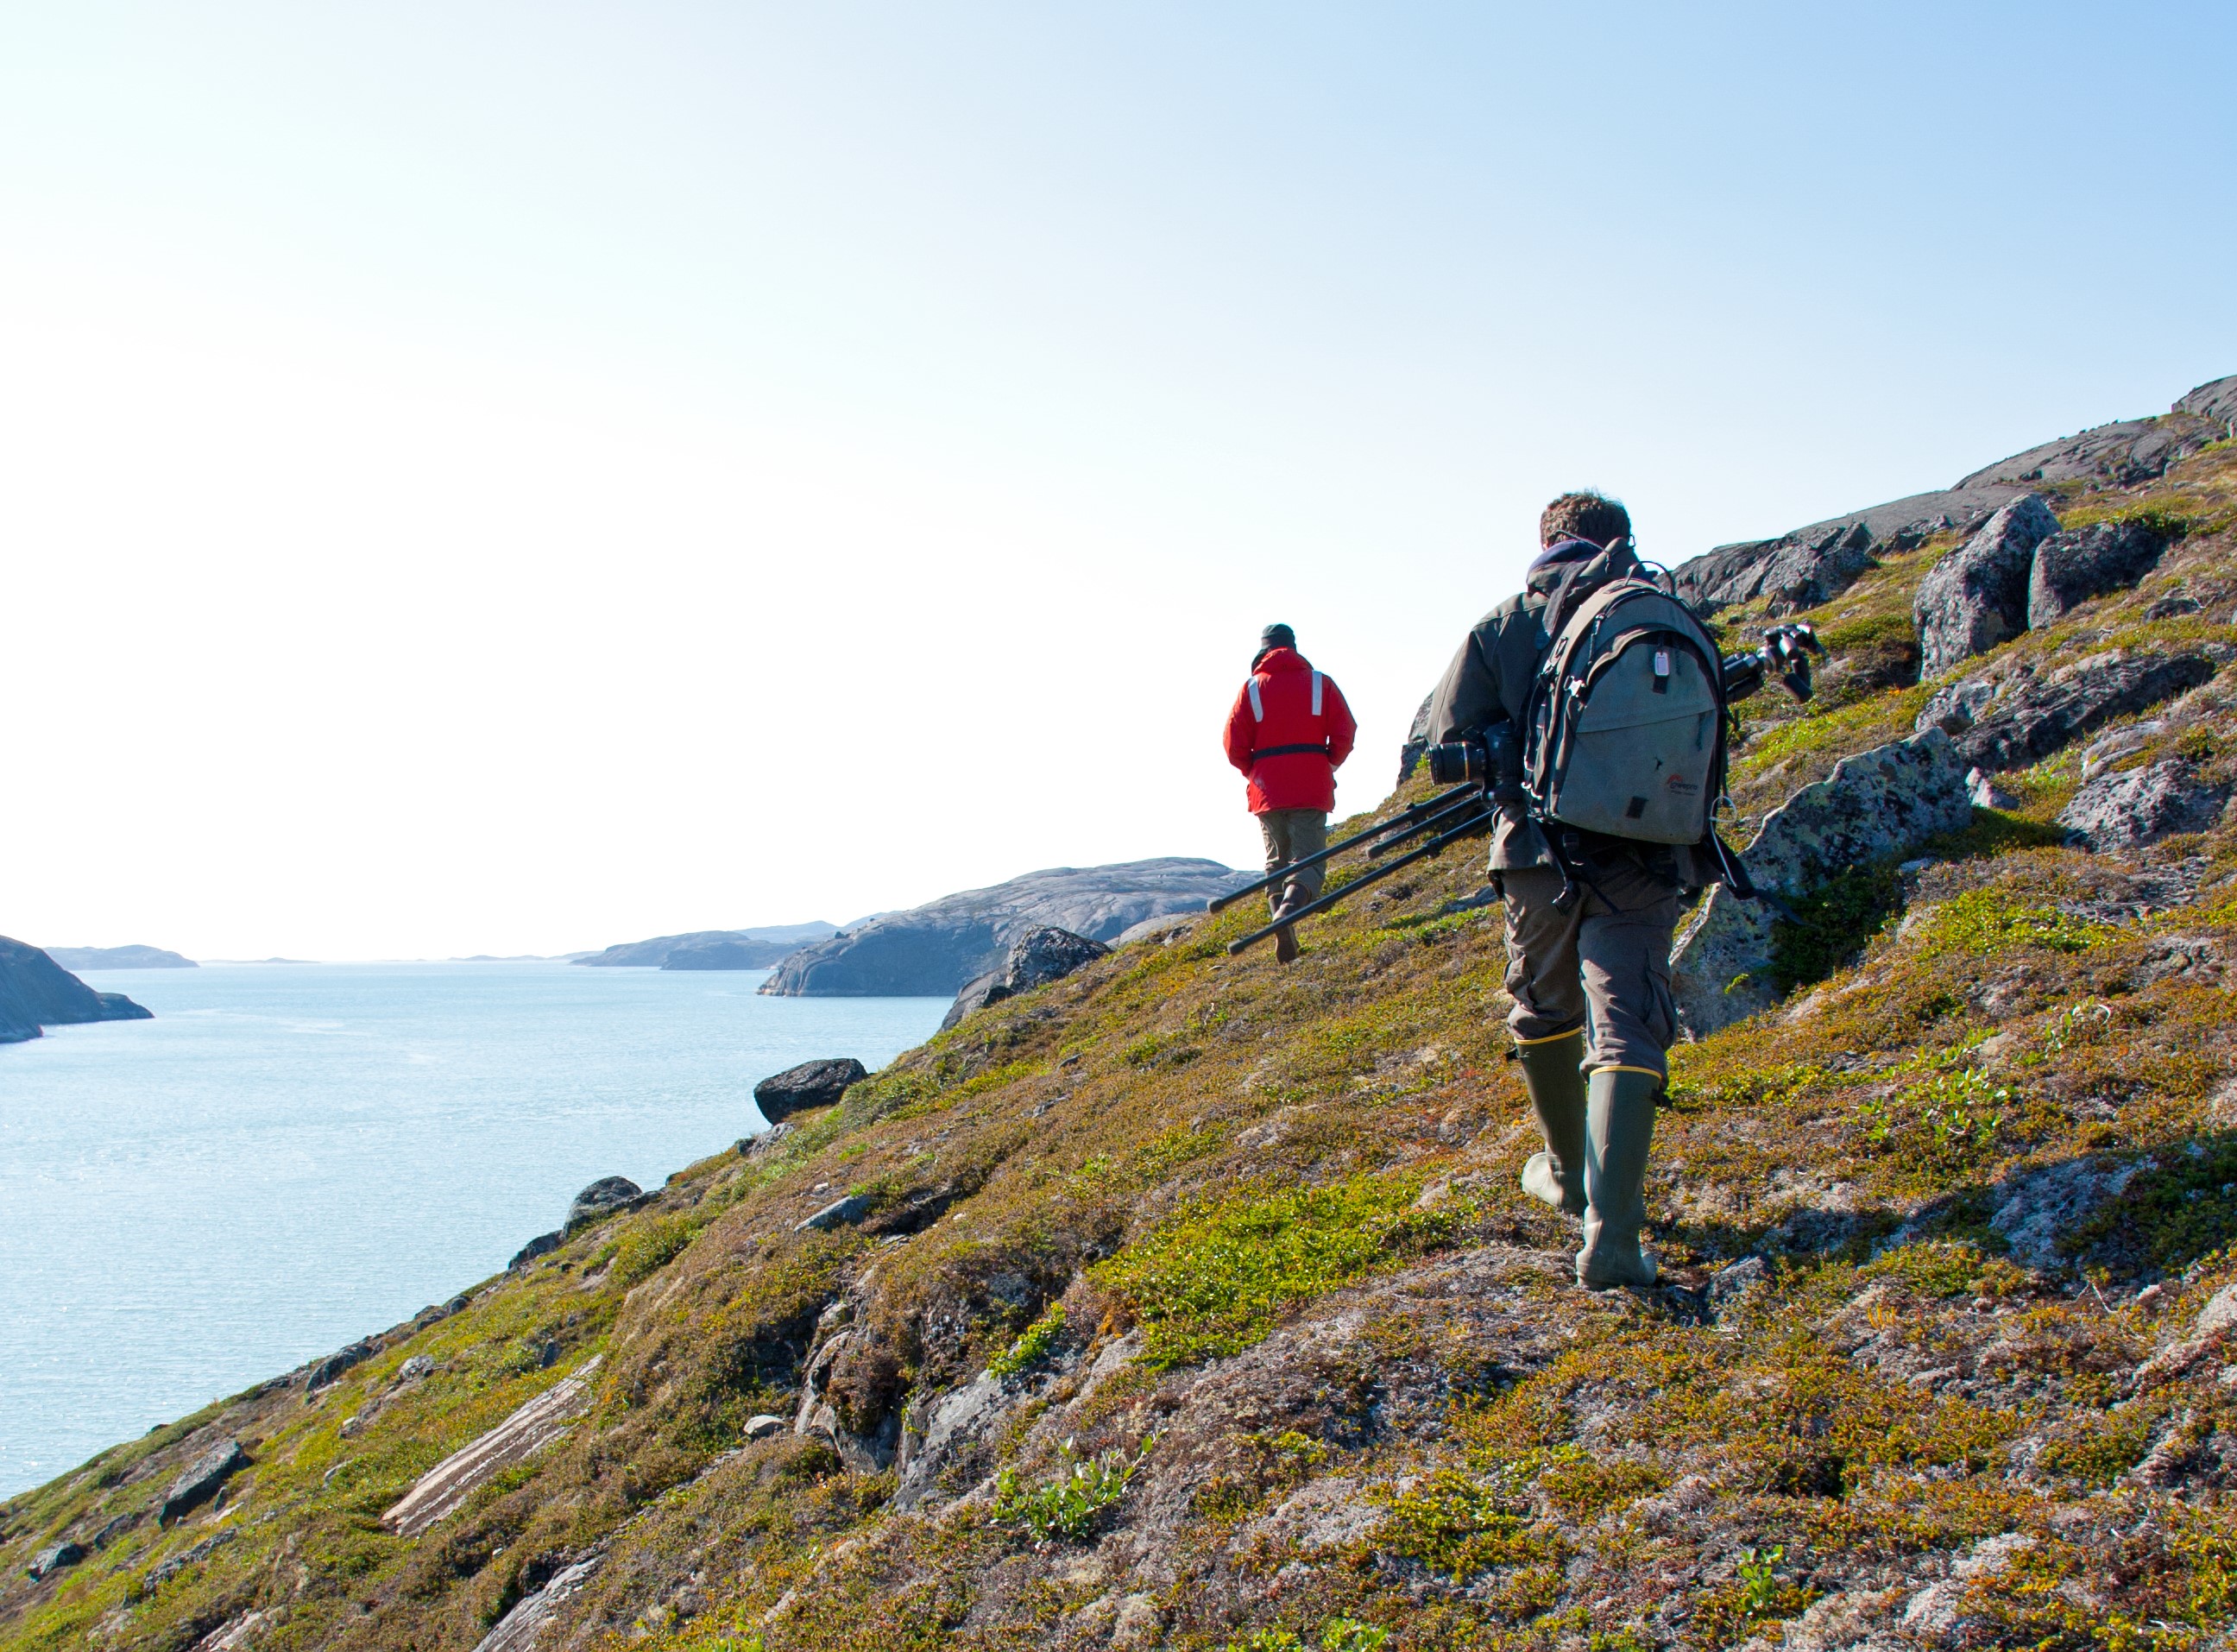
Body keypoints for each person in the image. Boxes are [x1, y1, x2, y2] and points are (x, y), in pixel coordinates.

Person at [1425, 492, 1700, 1289]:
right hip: (1646, 854)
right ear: (1621, 541)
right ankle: (1613, 1239)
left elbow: (1447, 743)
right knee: (1628, 1027)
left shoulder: (1504, 623)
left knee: (1545, 1010)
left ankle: (1567, 1175)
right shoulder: (1660, 610)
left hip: (1537, 851)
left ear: (1547, 543)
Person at [1223, 624, 1358, 963]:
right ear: (1294, 649)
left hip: (1266, 788)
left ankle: (1285, 930)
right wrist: (1328, 763)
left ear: (1262, 652)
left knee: (1277, 864)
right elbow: (1345, 731)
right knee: (1308, 861)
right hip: (1311, 784)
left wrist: (1255, 772)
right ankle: (1287, 913)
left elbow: (1233, 744)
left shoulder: (1251, 688)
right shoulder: (1319, 683)